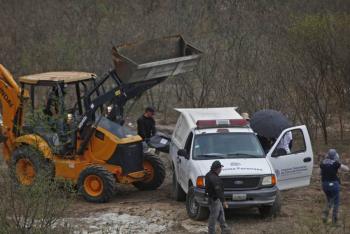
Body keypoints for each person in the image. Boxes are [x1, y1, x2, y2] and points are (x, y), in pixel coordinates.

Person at [320, 149, 349, 224]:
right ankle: (334, 221)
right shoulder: (336, 163)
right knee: (336, 202)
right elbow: (346, 169)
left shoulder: (322, 163)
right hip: (333, 185)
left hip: (324, 185)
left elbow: (320, 173)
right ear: (335, 156)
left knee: (329, 201)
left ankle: (324, 216)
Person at [205, 161, 230, 234]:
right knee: (213, 217)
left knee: (221, 214)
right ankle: (211, 232)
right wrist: (224, 201)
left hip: (213, 199)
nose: (221, 170)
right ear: (218, 169)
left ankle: (225, 230)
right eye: (220, 168)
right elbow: (218, 190)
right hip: (214, 200)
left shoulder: (208, 175)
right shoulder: (214, 178)